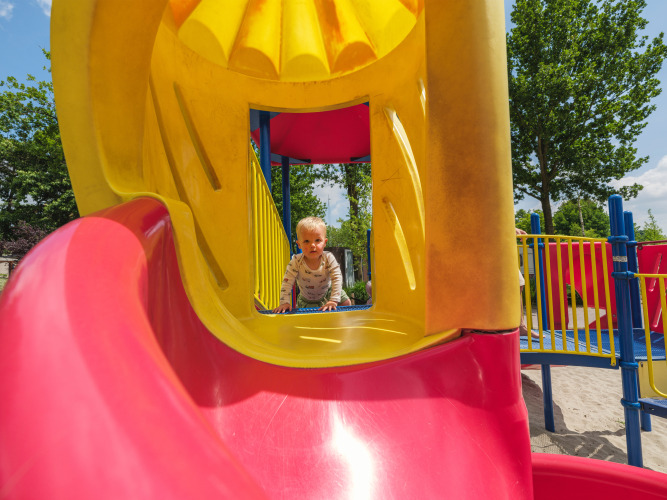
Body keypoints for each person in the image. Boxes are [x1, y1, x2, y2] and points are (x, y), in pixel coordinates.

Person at [273, 217, 352, 313]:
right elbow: (287, 281)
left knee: (346, 303)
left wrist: (333, 300)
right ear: (299, 244)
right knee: (307, 317)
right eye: (306, 241)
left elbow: (336, 277)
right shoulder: (296, 261)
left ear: (324, 243)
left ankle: (340, 324)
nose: (312, 245)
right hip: (307, 298)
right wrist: (284, 302)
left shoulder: (328, 258)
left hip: (328, 291)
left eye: (317, 240)